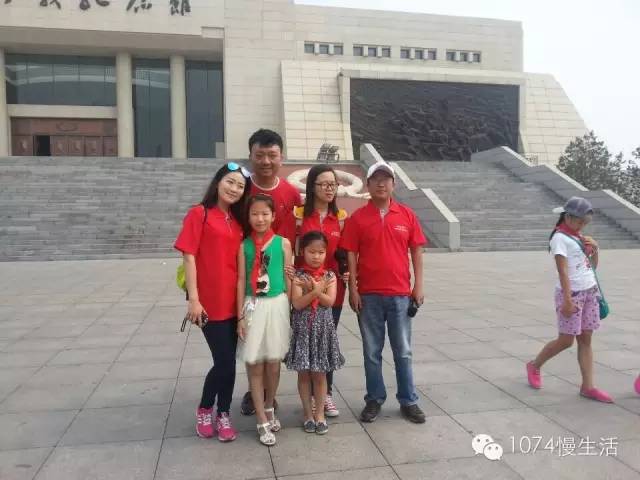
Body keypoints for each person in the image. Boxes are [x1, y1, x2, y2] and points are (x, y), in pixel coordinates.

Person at [340, 162, 427, 424]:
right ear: (367, 185)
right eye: (376, 179)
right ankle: (374, 399)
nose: (381, 183)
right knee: (371, 352)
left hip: (400, 294)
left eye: (386, 179)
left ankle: (408, 400)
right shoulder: (357, 218)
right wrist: (353, 289)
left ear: (393, 184)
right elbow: (351, 255)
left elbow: (416, 251)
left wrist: (418, 286)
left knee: (403, 351)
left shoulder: (407, 215)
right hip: (368, 296)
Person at [174, 162, 251, 442]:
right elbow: (189, 256)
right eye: (230, 182)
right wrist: (194, 300)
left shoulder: (238, 221)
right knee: (225, 362)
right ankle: (207, 409)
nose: (234, 189)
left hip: (234, 302)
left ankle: (223, 413)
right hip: (209, 303)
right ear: (218, 182)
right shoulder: (200, 214)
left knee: (228, 362)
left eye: (240, 186)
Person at [526, 197, 613, 403]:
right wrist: (566, 300)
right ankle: (534, 365)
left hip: (589, 291)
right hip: (571, 294)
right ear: (568, 217)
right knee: (566, 340)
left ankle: (588, 387)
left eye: (585, 222)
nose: (582, 225)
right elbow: (563, 272)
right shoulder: (559, 239)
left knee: (586, 339)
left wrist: (595, 249)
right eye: (580, 221)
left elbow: (591, 267)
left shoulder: (578, 236)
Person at [241, 128, 302, 416]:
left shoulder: (291, 193)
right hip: (248, 279)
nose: (266, 161)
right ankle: (254, 392)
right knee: (252, 342)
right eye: (260, 155)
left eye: (272, 155)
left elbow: (300, 235)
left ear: (281, 157)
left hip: (279, 281)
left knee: (274, 344)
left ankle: (268, 396)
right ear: (251, 156)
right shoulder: (241, 189)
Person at [237, 193, 293, 446]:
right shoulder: (244, 246)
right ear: (248, 216)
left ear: (273, 216)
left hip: (277, 305)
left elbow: (288, 277)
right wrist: (240, 316)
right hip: (253, 306)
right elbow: (241, 280)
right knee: (255, 363)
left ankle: (270, 406)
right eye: (254, 214)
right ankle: (260, 417)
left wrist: (291, 308)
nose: (260, 219)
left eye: (265, 214)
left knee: (273, 363)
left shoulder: (283, 244)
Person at [294, 164, 348, 417]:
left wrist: (347, 273)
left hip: (331, 291)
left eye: (333, 184)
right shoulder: (299, 216)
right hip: (303, 290)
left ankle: (326, 395)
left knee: (327, 342)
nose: (329, 189)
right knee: (306, 343)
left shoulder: (341, 218)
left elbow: (345, 253)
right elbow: (290, 249)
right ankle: (309, 400)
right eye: (324, 184)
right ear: (312, 186)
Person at [286, 231, 345, 435]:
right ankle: (307, 414)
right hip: (303, 331)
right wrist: (316, 290)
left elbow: (330, 302)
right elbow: (297, 303)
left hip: (322, 332)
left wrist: (313, 289)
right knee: (304, 374)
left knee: (320, 375)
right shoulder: (298, 276)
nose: (316, 256)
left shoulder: (330, 276)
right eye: (311, 252)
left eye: (321, 252)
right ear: (303, 251)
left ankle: (319, 414)